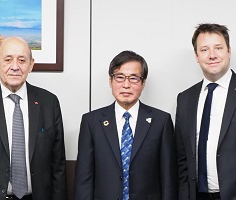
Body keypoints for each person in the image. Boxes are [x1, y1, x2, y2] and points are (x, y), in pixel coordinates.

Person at [0, 37, 67, 200]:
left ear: (31, 65)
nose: (15, 67)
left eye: (22, 60)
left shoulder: (49, 103)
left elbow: (58, 166)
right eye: (8, 59)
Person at [175, 23, 236, 200]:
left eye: (218, 48)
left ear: (229, 51)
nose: (212, 55)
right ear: (196, 56)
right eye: (205, 49)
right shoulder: (185, 99)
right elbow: (182, 157)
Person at [74, 50, 177, 200]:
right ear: (110, 81)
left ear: (143, 83)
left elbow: (168, 178)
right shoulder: (92, 122)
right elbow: (84, 178)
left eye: (134, 78)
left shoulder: (161, 121)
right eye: (119, 77)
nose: (126, 85)